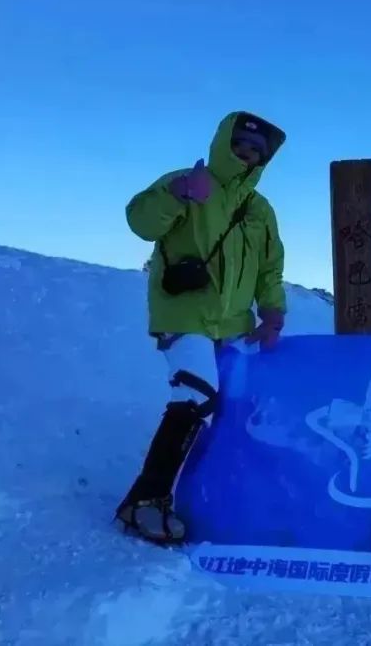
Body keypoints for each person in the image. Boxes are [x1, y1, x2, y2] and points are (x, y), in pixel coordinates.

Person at [115, 110, 288, 545]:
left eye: (255, 149)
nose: (245, 153)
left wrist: (272, 313)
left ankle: (210, 495)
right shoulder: (187, 180)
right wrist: (178, 195)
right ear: (223, 142)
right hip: (183, 315)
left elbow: (270, 267)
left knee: (232, 409)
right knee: (196, 396)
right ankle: (146, 501)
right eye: (239, 144)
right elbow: (140, 223)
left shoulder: (260, 209)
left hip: (234, 324)